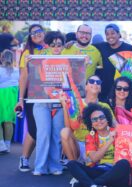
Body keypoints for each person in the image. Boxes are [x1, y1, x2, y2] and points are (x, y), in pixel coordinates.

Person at [67, 103, 131, 187]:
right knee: (72, 164)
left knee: (124, 164)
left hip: (116, 173)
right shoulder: (90, 137)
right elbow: (94, 159)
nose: (99, 121)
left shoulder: (119, 132)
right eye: (95, 119)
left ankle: (86, 186)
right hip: (99, 170)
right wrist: (110, 141)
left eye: (101, 117)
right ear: (91, 123)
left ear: (107, 119)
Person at [60, 75, 116, 164]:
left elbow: (115, 126)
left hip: (97, 144)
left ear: (100, 88)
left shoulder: (105, 106)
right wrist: (64, 106)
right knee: (65, 132)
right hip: (79, 144)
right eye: (91, 81)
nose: (95, 83)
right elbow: (68, 128)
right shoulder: (76, 104)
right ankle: (74, 167)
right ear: (86, 87)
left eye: (98, 82)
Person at [31, 31, 65, 175]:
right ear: (48, 45)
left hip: (60, 102)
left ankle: (55, 166)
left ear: (63, 46)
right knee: (44, 134)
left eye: (59, 44)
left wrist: (84, 62)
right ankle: (40, 167)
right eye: (53, 44)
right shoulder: (40, 60)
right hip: (42, 102)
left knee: (57, 135)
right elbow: (34, 80)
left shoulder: (68, 60)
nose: (56, 47)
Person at [15, 24, 48, 172]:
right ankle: (24, 157)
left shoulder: (51, 47)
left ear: (44, 32)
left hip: (50, 94)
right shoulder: (27, 52)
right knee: (34, 129)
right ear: (30, 36)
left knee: (50, 128)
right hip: (32, 95)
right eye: (33, 33)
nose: (36, 34)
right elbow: (23, 76)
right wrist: (21, 99)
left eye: (39, 31)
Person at [93, 23, 132, 101]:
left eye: (113, 33)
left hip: (121, 91)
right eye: (107, 34)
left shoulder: (129, 48)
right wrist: (72, 43)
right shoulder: (101, 47)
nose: (110, 36)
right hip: (104, 93)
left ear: (119, 34)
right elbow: (87, 47)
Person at [0, 50, 19, 153]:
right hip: (12, 96)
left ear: (1, 58)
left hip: (1, 96)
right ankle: (7, 145)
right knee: (9, 122)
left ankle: (1, 144)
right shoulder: (16, 71)